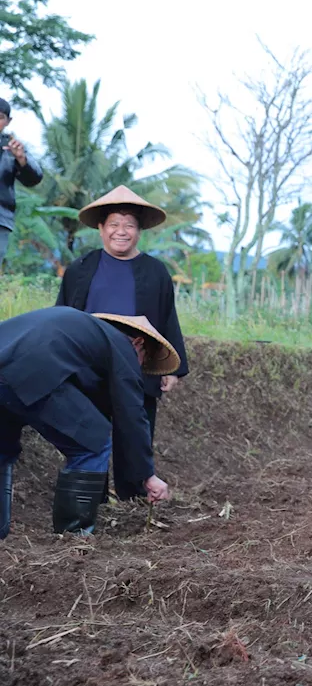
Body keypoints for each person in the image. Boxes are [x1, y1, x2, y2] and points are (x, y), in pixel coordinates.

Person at [56, 185, 190, 502]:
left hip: (137, 362)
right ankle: (90, 494)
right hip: (88, 363)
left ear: (139, 231)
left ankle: (132, 494)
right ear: (101, 228)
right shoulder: (79, 269)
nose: (121, 231)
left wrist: (172, 367)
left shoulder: (156, 272)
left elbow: (167, 318)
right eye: (114, 223)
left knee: (136, 427)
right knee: (88, 428)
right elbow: (61, 315)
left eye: (129, 224)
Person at [0, 306, 177, 538]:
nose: (139, 368)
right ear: (138, 343)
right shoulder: (121, 345)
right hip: (30, 369)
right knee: (92, 443)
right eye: (143, 362)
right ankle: (73, 540)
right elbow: (131, 413)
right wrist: (147, 475)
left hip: (11, 365)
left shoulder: (80, 332)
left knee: (2, 452)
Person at [0, 96, 44, 267]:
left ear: (8, 122)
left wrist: (21, 159)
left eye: (0, 117)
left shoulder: (12, 148)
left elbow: (35, 178)